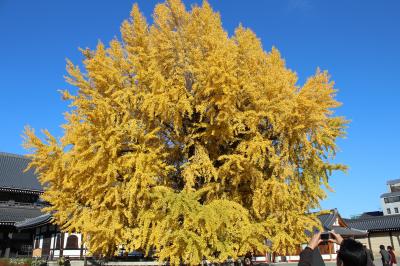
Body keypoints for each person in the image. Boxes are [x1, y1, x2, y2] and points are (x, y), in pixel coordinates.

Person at [298, 231, 374, 266]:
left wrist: (309, 248)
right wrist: (344, 243)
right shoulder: (363, 261)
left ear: (342, 263)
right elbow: (363, 258)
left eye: (338, 252)